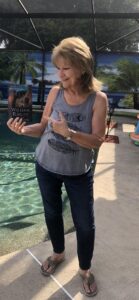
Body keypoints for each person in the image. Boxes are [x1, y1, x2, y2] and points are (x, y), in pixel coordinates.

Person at [7, 36, 108, 297]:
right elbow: (41, 128)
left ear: (82, 67)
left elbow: (97, 142)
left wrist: (69, 132)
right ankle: (58, 253)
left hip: (78, 173)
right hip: (46, 166)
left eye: (65, 68)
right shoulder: (55, 92)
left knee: (84, 224)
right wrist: (21, 130)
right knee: (52, 214)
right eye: (57, 67)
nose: (58, 73)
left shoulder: (98, 100)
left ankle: (84, 269)